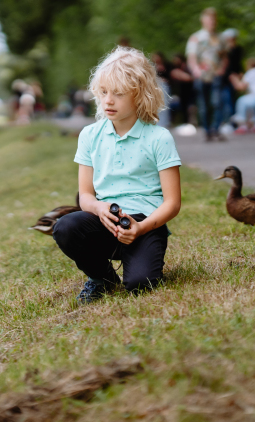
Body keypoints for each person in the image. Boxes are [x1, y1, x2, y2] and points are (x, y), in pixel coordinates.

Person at [53, 47, 182, 304]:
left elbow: (172, 203)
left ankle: (141, 262)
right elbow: (85, 195)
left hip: (146, 223)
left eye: (118, 93)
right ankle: (102, 278)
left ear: (140, 94)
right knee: (65, 227)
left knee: (140, 285)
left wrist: (141, 228)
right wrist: (99, 208)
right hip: (105, 221)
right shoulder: (89, 135)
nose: (108, 101)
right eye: (103, 92)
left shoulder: (159, 138)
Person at [186, 8, 228, 141]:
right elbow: (191, 57)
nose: (212, 22)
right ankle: (207, 131)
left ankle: (216, 129)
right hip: (202, 75)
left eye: (213, 19)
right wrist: (195, 69)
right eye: (209, 19)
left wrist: (222, 68)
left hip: (215, 74)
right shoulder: (196, 38)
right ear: (203, 20)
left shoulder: (221, 38)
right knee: (203, 105)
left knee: (217, 102)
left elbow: (224, 56)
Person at [219, 28, 244, 126]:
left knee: (233, 100)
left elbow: (237, 63)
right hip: (225, 78)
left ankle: (233, 122)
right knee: (226, 100)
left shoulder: (237, 49)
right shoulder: (224, 50)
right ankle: (227, 122)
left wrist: (239, 73)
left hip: (234, 77)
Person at [169, 53, 195, 125]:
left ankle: (190, 123)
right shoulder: (173, 68)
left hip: (189, 92)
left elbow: (190, 78)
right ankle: (181, 122)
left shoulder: (188, 68)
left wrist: (180, 74)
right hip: (179, 93)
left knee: (190, 109)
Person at [152, 52, 172, 128]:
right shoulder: (152, 66)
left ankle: (165, 122)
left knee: (165, 104)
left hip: (164, 87)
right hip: (155, 87)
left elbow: (170, 76)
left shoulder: (167, 66)